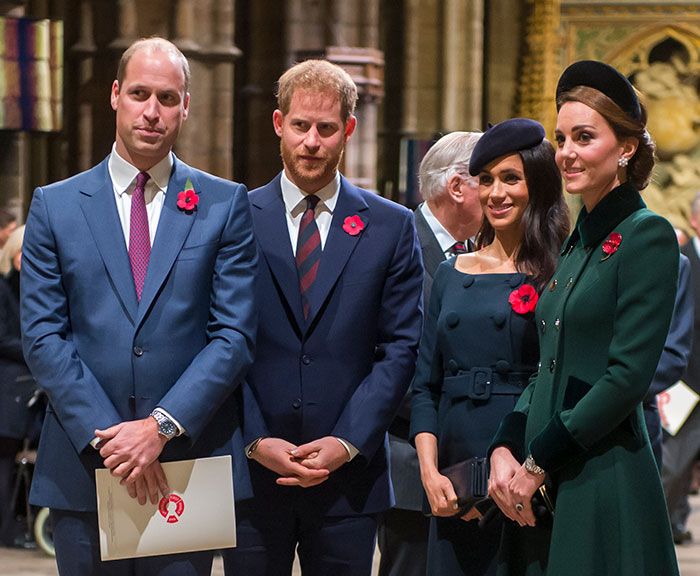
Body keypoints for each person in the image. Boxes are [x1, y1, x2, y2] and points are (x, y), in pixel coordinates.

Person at [21, 37, 257, 575]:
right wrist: (117, 441)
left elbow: (234, 335)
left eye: (168, 98)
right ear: (115, 96)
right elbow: (42, 336)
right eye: (140, 93)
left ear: (186, 106)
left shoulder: (223, 204)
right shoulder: (55, 206)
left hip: (185, 466)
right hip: (87, 463)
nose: (152, 112)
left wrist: (159, 428)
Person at [222, 59, 423, 576]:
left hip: (347, 481)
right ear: (278, 124)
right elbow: (215, 341)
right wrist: (253, 437)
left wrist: (346, 442)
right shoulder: (232, 218)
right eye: (300, 126)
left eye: (326, 129)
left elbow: (400, 347)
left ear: (348, 130)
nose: (312, 141)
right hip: (250, 469)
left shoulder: (390, 226)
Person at [488, 60, 680, 575]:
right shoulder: (575, 243)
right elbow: (547, 365)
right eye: (561, 138)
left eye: (584, 137)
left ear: (626, 148)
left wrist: (537, 461)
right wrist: (506, 446)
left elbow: (625, 379)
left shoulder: (647, 235)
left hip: (601, 474)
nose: (567, 153)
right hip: (544, 474)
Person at [410, 118, 569, 576]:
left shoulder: (561, 270)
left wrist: (531, 470)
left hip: (526, 466)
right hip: (452, 470)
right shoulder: (450, 271)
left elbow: (559, 380)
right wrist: (430, 473)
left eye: (510, 178)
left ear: (537, 184)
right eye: (486, 180)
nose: (496, 193)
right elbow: (426, 384)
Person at [378, 131, 483, 576]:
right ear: (458, 187)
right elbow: (381, 357)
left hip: (477, 459)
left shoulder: (486, 254)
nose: (501, 193)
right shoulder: (392, 242)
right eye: (490, 179)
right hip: (408, 453)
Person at [663, 190, 700, 544]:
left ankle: (676, 522)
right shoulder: (681, 260)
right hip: (686, 384)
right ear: (693, 220)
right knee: (674, 467)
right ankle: (661, 527)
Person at [0, 225, 36, 548]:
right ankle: (7, 530)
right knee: (5, 462)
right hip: (10, 386)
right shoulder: (5, 287)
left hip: (25, 384)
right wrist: (37, 348)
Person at [644, 251, 692, 471]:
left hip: (637, 416)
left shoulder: (672, 261)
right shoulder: (577, 252)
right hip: (571, 417)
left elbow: (673, 354)